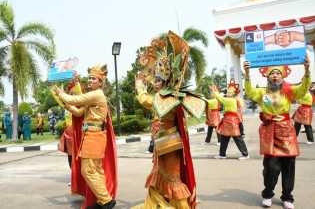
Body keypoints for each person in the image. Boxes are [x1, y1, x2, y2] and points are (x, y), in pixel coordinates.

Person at [133, 31, 205, 209]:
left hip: (169, 144)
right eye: (155, 78)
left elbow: (145, 100)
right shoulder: (163, 94)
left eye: (158, 79)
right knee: (158, 175)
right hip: (161, 143)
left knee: (173, 179)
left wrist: (139, 86)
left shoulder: (168, 97)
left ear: (166, 80)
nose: (155, 82)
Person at [243, 56, 311, 209]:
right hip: (269, 131)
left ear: (282, 76)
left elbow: (303, 89)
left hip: (286, 130)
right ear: (267, 76)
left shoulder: (289, 91)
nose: (275, 75)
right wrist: (247, 73)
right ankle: (268, 193)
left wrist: (307, 70)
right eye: (272, 73)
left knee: (288, 165)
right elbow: (249, 91)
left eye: (278, 73)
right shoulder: (262, 93)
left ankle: (287, 197)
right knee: (270, 166)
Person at [53, 64, 117, 209]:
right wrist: (65, 103)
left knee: (87, 170)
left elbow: (75, 100)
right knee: (96, 170)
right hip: (93, 136)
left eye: (93, 78)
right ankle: (103, 200)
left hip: (94, 136)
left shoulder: (97, 94)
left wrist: (60, 92)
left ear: (100, 82)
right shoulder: (93, 97)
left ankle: (106, 200)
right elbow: (78, 112)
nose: (89, 81)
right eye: (89, 78)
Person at [210, 79, 249, 160]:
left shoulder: (231, 100)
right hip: (227, 120)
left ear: (233, 94)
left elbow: (220, 99)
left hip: (232, 121)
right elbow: (221, 98)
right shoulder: (231, 99)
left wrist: (215, 92)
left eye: (229, 92)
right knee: (224, 138)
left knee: (237, 138)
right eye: (227, 92)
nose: (227, 93)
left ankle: (245, 154)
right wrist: (216, 92)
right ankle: (222, 154)